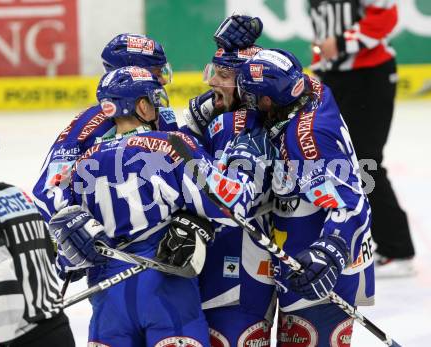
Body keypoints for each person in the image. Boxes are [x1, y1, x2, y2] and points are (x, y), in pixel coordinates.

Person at [49, 66, 273, 346]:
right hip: (166, 288)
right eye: (153, 102)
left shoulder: (83, 163)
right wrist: (246, 165)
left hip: (107, 298)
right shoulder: (171, 145)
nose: (157, 109)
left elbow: (66, 248)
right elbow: (229, 205)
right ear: (142, 105)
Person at [237, 49, 375, 346]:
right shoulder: (312, 89)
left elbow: (351, 203)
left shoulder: (304, 139)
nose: (246, 103)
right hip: (297, 257)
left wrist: (330, 250)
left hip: (317, 267)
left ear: (268, 100)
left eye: (250, 96)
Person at [178, 42, 277, 345]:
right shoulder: (236, 118)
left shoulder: (240, 125)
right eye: (213, 71)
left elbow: (221, 198)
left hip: (239, 270)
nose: (211, 82)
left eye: (223, 74)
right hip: (234, 265)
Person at [308, 0, 415, 277]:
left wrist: (342, 43)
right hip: (336, 77)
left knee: (366, 162)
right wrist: (321, 62)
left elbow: (385, 16)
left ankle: (397, 249)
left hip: (368, 77)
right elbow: (327, 28)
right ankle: (349, 241)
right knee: (333, 161)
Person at [33, 33, 176, 225]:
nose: (164, 80)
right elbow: (50, 191)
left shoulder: (160, 110)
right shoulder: (89, 124)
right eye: (158, 73)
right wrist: (81, 231)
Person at [0, 126, 75, 347]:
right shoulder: (16, 195)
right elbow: (48, 253)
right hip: (58, 329)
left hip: (17, 337)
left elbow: (0, 278)